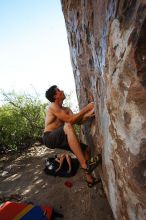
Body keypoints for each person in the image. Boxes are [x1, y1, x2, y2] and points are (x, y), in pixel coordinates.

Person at [42, 85, 101, 187]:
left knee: (86, 150)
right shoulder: (53, 106)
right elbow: (70, 121)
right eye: (59, 90)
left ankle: (90, 179)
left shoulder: (67, 109)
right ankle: (85, 165)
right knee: (68, 125)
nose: (62, 90)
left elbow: (78, 121)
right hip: (49, 137)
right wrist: (87, 107)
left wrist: (87, 115)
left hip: (62, 137)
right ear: (55, 96)